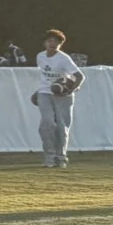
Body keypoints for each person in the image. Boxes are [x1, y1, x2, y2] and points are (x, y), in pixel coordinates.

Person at [32, 30, 86, 168]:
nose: (52, 44)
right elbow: (45, 77)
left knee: (62, 126)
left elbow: (79, 77)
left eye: (56, 41)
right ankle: (49, 156)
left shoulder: (63, 58)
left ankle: (61, 157)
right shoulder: (40, 56)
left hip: (63, 95)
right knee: (47, 123)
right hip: (45, 92)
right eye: (50, 41)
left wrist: (70, 89)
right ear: (44, 43)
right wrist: (38, 91)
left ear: (60, 44)